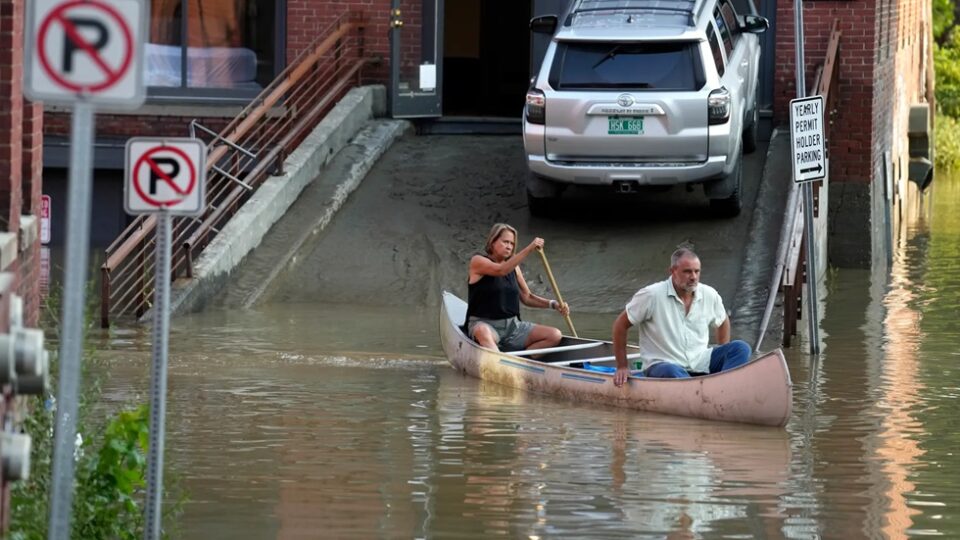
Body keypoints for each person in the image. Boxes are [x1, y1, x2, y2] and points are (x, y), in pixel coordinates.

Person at [612, 247, 750, 387]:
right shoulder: (651, 295)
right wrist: (622, 366)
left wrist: (722, 356)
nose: (693, 277)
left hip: (700, 361)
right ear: (673, 271)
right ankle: (706, 392)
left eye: (697, 271)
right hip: (663, 365)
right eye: (687, 271)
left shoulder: (709, 294)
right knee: (672, 370)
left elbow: (723, 321)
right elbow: (620, 325)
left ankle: (723, 387)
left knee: (741, 348)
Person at [466, 223, 570, 353]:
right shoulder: (478, 261)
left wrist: (554, 304)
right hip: (484, 324)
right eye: (505, 242)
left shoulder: (514, 268)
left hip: (513, 327)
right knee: (483, 331)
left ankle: (523, 363)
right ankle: (499, 363)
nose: (509, 246)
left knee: (555, 335)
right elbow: (501, 270)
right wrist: (529, 249)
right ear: (492, 242)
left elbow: (527, 297)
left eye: (512, 243)